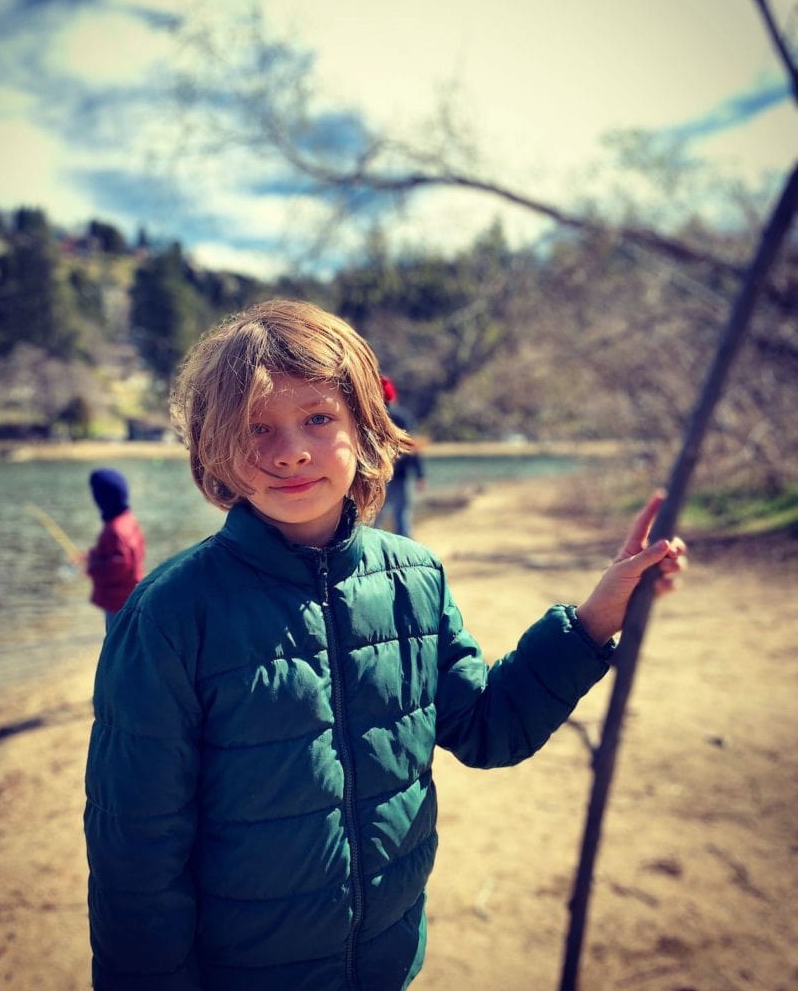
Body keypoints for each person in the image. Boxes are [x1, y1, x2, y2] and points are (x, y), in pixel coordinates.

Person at [84, 299, 686, 991]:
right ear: (215, 448)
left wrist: (592, 621)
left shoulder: (414, 578)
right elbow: (136, 857)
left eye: (318, 417)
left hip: (386, 965)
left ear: (366, 429)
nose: (291, 450)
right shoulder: (169, 615)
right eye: (256, 427)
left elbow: (488, 729)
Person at [84, 468, 146, 630]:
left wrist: (92, 564)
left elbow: (119, 565)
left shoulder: (115, 529)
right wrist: (93, 555)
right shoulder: (128, 520)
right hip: (131, 593)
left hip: (118, 600)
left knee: (115, 640)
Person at [374, 375, 426, 538]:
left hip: (377, 477)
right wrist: (420, 475)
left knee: (375, 521)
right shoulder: (403, 417)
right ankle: (405, 556)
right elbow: (413, 448)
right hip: (401, 476)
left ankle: (374, 556)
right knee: (402, 517)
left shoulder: (372, 417)